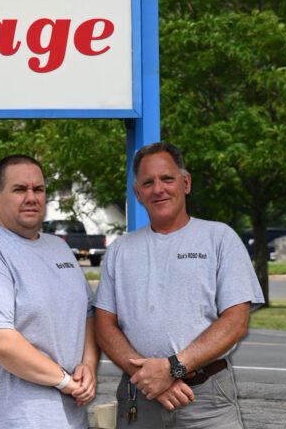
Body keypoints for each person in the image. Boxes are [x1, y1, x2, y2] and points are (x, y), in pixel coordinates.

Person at [94, 141, 264, 427]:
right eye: (148, 182)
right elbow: (103, 325)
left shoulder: (220, 238)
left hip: (206, 398)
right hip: (140, 395)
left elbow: (236, 322)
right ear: (138, 193)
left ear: (186, 183)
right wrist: (151, 378)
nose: (158, 189)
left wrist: (172, 368)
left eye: (167, 179)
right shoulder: (120, 251)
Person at [0, 153, 99, 429]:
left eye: (38, 189)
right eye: (19, 189)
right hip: (10, 420)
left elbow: (88, 313)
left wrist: (88, 366)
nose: (31, 197)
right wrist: (65, 381)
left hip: (69, 419)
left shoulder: (59, 247)